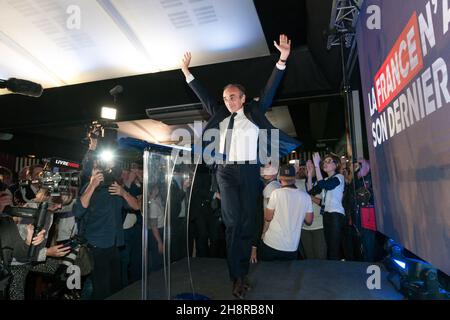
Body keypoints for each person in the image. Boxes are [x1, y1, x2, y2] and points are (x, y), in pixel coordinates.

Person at [181, 34, 300, 299]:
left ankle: (242, 270)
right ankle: (237, 276)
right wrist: (187, 73)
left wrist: (282, 59)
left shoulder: (254, 112)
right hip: (225, 170)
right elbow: (203, 95)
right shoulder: (220, 114)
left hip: (248, 170)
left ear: (243, 98)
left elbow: (269, 91)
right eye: (224, 98)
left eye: (232, 97)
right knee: (233, 222)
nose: (228, 101)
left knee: (247, 223)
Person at [73, 165, 140, 300]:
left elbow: (137, 206)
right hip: (96, 246)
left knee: (115, 288)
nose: (107, 171)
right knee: (100, 289)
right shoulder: (89, 187)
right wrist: (92, 185)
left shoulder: (115, 187)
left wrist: (123, 193)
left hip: (114, 245)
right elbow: (78, 211)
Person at [260, 164, 313, 261]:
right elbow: (309, 221)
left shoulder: (276, 193)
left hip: (272, 242)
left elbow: (268, 217)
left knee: (267, 274)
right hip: (291, 246)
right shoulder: (306, 197)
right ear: (294, 177)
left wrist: (263, 233)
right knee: (288, 275)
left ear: (280, 177)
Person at [308, 153, 345, 260]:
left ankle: (335, 272)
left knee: (334, 248)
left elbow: (326, 186)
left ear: (336, 165)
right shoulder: (324, 180)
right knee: (330, 246)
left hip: (336, 215)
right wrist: (310, 175)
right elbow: (311, 191)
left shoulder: (339, 177)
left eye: (329, 161)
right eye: (324, 162)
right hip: (327, 215)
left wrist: (316, 166)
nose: (325, 163)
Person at [298, 160, 327, 259]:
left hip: (319, 226)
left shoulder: (322, 183)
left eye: (311, 166)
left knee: (320, 257)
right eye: (306, 167)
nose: (308, 169)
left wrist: (310, 197)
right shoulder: (299, 183)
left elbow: (324, 203)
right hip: (304, 227)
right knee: (309, 258)